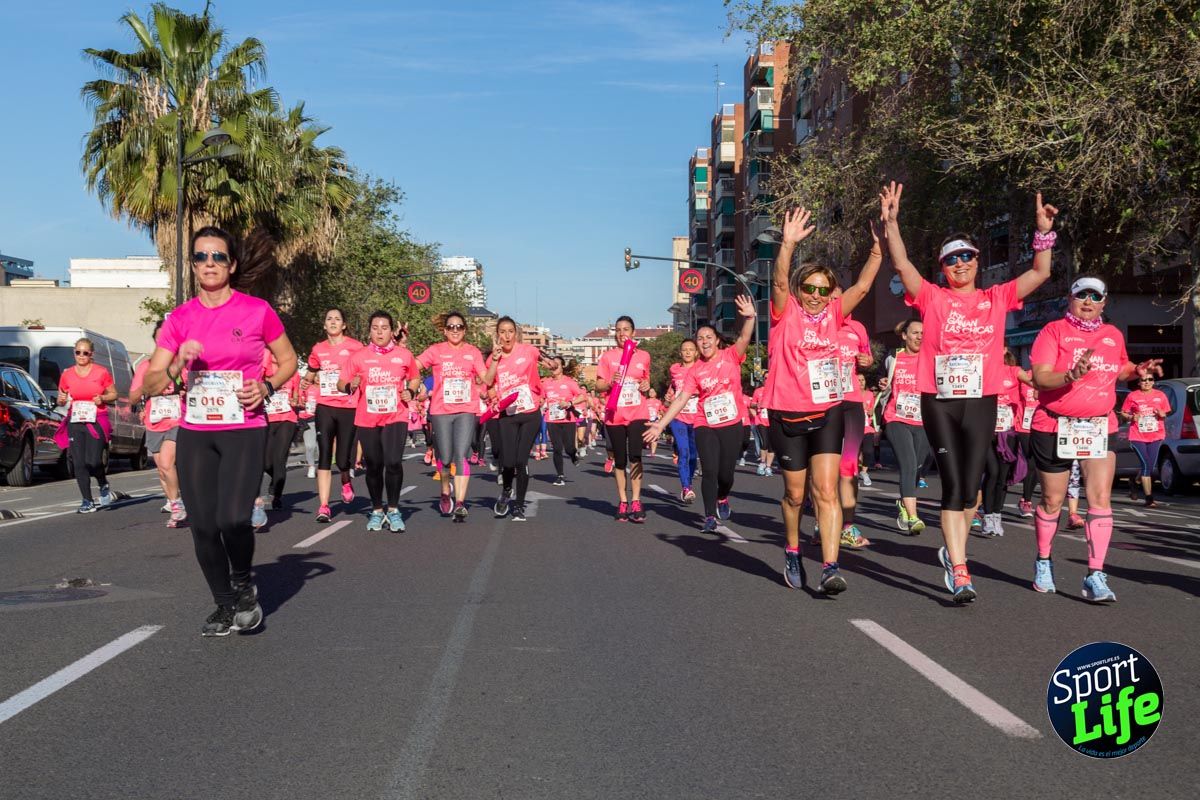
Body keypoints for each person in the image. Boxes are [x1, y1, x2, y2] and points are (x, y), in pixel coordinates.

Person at [881, 182, 1057, 602]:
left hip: (981, 399)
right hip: (939, 400)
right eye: (951, 259)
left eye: (967, 257)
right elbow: (903, 264)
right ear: (943, 268)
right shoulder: (933, 297)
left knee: (972, 489)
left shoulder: (996, 298)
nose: (960, 263)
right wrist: (891, 222)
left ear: (977, 262)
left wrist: (1043, 233)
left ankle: (953, 548)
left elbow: (1041, 272)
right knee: (952, 485)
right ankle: (960, 569)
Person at [142, 225, 297, 636]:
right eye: (200, 257)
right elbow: (151, 383)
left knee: (232, 519)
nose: (209, 263)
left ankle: (243, 583)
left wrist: (266, 386)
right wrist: (177, 364)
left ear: (232, 264)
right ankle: (225, 604)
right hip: (196, 431)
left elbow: (289, 361)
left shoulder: (257, 310)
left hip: (244, 427)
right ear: (192, 265)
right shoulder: (180, 318)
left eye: (218, 256)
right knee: (204, 525)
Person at [766, 208, 882, 593]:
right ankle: (793, 550)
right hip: (787, 414)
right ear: (801, 291)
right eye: (809, 289)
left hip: (827, 411)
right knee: (794, 495)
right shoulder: (785, 315)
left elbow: (863, 287)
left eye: (822, 289)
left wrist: (879, 249)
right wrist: (789, 243)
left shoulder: (835, 314)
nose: (815, 296)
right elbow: (780, 281)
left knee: (826, 491)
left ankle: (831, 566)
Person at [1028, 276, 1162, 602]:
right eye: (1081, 295)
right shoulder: (1053, 331)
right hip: (1054, 425)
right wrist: (1070, 375)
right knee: (1053, 501)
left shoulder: (1112, 335)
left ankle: (1095, 573)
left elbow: (1120, 367)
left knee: (1100, 497)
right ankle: (1044, 560)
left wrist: (1137, 369)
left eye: (1095, 296)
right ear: (1070, 298)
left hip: (1099, 425)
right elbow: (1041, 377)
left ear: (1104, 302)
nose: (1088, 302)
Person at [645, 295, 755, 531]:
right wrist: (660, 424)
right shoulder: (695, 371)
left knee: (726, 474)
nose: (704, 342)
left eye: (708, 337)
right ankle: (709, 517)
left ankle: (722, 497)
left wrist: (750, 317)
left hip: (732, 422)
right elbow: (681, 399)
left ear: (717, 341)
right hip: (705, 424)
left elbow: (745, 337)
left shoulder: (731, 356)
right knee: (710, 471)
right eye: (700, 338)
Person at [340, 310, 418, 532]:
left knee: (393, 462)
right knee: (374, 465)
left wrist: (410, 391)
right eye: (375, 328)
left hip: (396, 415)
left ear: (392, 331)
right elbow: (341, 382)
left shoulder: (404, 355)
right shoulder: (358, 357)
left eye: (384, 328)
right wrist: (350, 386)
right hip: (368, 418)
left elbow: (414, 377)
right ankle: (376, 510)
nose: (380, 332)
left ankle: (393, 509)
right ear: (369, 331)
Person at [415, 311, 487, 521]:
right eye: (451, 327)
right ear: (445, 331)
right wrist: (416, 384)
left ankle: (461, 502)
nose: (455, 330)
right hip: (441, 410)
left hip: (466, 408)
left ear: (465, 330)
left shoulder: (472, 352)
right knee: (445, 458)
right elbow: (414, 366)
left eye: (459, 327)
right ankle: (445, 491)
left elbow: (486, 377)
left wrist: (494, 363)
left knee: (461, 455)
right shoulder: (435, 351)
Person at [483, 316, 551, 521]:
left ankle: (519, 506)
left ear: (516, 333)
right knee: (509, 461)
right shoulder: (493, 358)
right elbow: (488, 382)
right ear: (497, 335)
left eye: (510, 331)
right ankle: (506, 491)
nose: (506, 336)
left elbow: (542, 357)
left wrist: (551, 362)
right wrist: (494, 361)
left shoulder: (528, 350)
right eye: (502, 332)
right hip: (508, 415)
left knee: (522, 460)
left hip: (530, 412)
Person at [301, 308, 363, 522]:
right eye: (329, 319)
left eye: (337, 319)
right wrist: (306, 380)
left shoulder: (355, 347)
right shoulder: (318, 349)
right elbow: (311, 371)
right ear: (324, 325)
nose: (333, 322)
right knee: (325, 453)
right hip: (325, 406)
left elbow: (364, 371)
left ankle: (345, 478)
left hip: (348, 406)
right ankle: (324, 506)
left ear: (344, 325)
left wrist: (356, 381)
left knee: (343, 458)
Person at [595, 316, 653, 522]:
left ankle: (636, 500)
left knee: (635, 456)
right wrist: (610, 382)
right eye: (618, 330)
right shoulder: (607, 357)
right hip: (615, 415)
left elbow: (646, 382)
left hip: (638, 413)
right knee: (620, 460)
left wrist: (647, 386)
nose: (622, 333)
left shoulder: (644, 356)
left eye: (626, 329)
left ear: (633, 332)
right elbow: (598, 386)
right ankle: (623, 501)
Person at [130, 322, 185, 527]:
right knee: (162, 470)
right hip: (154, 422)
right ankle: (174, 502)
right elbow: (133, 397)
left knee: (166, 462)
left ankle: (178, 506)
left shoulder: (182, 364)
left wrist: (185, 390)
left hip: (178, 420)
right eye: (160, 339)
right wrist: (147, 388)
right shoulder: (146, 366)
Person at [57, 337, 118, 513]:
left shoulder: (101, 372)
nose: (81, 356)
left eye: (85, 353)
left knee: (93, 461)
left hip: (97, 419)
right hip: (76, 420)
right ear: (74, 353)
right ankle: (87, 500)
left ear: (91, 354)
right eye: (78, 352)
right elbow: (61, 398)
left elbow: (114, 393)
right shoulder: (67, 374)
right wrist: (61, 400)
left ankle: (103, 482)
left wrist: (103, 398)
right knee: (78, 462)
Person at [881, 319, 929, 534]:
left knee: (918, 467)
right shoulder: (894, 357)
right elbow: (886, 382)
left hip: (923, 420)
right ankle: (913, 516)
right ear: (904, 335)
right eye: (915, 332)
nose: (920, 336)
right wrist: (883, 383)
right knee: (908, 465)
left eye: (922, 333)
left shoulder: (931, 358)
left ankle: (903, 502)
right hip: (896, 418)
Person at [977, 349, 1031, 537]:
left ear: (1004, 349)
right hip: (985, 430)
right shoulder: (981, 369)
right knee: (991, 471)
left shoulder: (1014, 371)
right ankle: (988, 515)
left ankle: (996, 515)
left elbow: (1034, 383)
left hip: (1007, 431)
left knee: (1002, 476)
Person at [836, 310, 874, 548]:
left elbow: (866, 358)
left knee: (849, 465)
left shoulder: (857, 328)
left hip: (851, 402)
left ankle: (848, 527)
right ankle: (823, 523)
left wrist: (866, 361)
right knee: (822, 468)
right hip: (820, 403)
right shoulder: (808, 323)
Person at [255, 351, 301, 527]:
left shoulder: (292, 372)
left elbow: (296, 396)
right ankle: (277, 479)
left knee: (279, 458)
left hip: (287, 419)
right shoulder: (263, 373)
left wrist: (296, 401)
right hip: (266, 418)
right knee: (266, 462)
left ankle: (277, 495)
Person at [1121, 373, 1169, 507]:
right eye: (1143, 380)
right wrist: (1131, 418)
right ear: (1139, 383)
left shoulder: (1161, 395)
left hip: (1156, 435)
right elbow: (1124, 412)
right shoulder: (1132, 396)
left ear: (1153, 382)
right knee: (1146, 464)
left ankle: (1135, 483)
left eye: (1150, 379)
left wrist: (1162, 414)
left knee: (1149, 465)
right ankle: (1149, 498)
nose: (1147, 382)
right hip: (1137, 436)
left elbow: (1165, 413)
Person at [542, 356, 586, 486]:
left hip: (568, 419)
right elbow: (540, 398)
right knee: (556, 448)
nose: (554, 367)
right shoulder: (546, 383)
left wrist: (569, 403)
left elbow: (582, 396)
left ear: (562, 367)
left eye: (557, 364)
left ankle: (573, 455)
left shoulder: (569, 382)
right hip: (551, 419)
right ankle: (560, 475)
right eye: (552, 365)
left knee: (569, 448)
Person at [667, 339, 700, 502]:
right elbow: (673, 387)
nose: (687, 352)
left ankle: (689, 482)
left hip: (697, 418)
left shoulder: (701, 369)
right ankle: (686, 487)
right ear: (680, 353)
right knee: (683, 452)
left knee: (693, 456)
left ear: (696, 352)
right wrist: (669, 395)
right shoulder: (675, 369)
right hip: (678, 417)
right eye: (684, 350)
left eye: (691, 349)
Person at [1013, 370, 1039, 517]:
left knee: (1036, 464)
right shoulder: (1024, 376)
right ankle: (1026, 500)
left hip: (1042, 425)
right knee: (1030, 462)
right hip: (1023, 426)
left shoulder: (1050, 377)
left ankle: (1025, 498)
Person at [750, 380, 775, 476]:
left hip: (773, 420)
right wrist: (757, 406)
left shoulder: (775, 390)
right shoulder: (758, 391)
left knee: (772, 445)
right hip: (761, 420)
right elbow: (751, 405)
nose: (767, 380)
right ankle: (762, 464)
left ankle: (768, 467)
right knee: (765, 442)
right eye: (765, 378)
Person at [298, 372, 319, 479]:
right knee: (310, 446)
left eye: (321, 376)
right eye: (316, 376)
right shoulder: (306, 387)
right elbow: (298, 400)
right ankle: (311, 466)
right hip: (308, 419)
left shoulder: (326, 389)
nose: (318, 378)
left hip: (322, 419)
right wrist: (300, 403)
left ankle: (322, 467)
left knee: (322, 446)